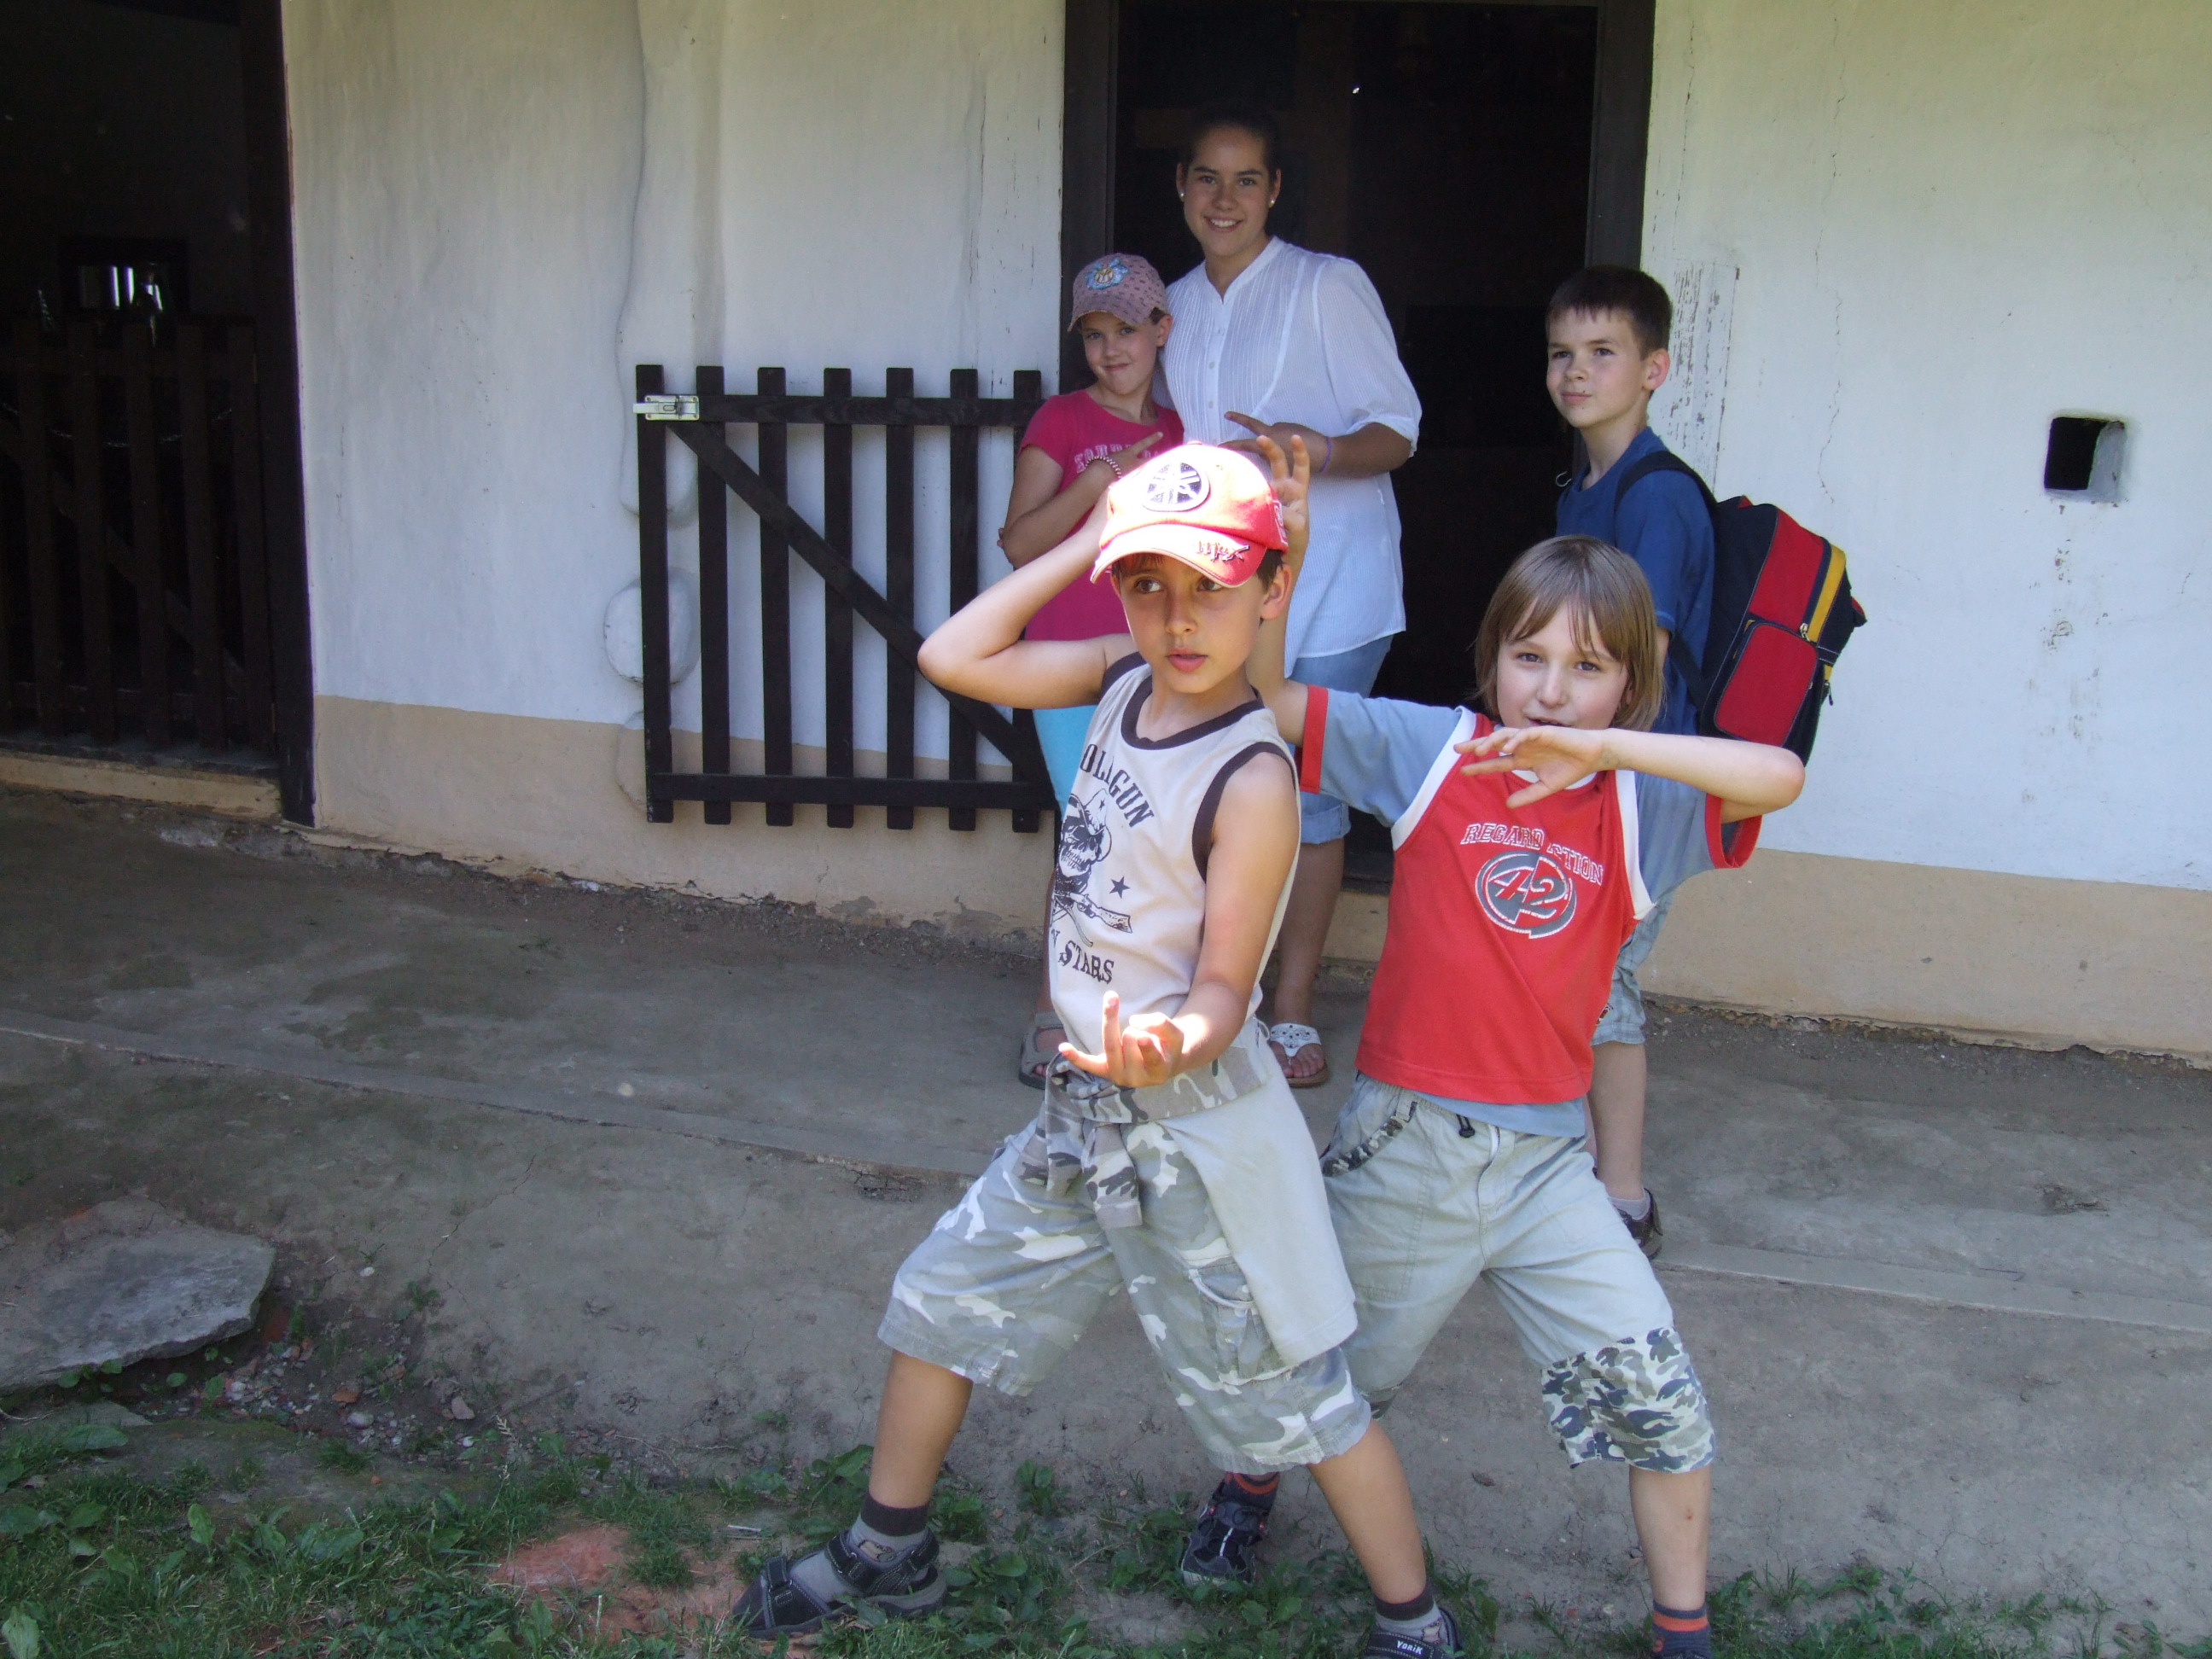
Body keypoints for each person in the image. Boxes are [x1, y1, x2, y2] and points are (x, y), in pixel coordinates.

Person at [733, 444, 1452, 1659]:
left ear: (1272, 590)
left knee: (1296, 1395)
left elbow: (1225, 984)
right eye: (1147, 585)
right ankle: (888, 1549)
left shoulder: (1252, 777)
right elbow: (953, 654)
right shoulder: (1119, 676)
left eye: (1212, 588)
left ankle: (1415, 1623)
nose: (1178, 619)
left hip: (1201, 1133)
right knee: (939, 1304)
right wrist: (1087, 539)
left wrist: (1175, 1039)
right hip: (1083, 1111)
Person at [1185, 435, 1803, 1659]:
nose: (1551, 691)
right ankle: (1247, 1490)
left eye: (1589, 668)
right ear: (1492, 661)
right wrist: (1284, 564)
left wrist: (1609, 751)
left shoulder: (1642, 806)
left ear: (1631, 685)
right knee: (1320, 1371)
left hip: (1548, 1172)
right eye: (1529, 657)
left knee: (1663, 1406)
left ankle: (1684, 1633)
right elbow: (1269, 702)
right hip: (1406, 1147)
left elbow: (1776, 774)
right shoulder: (1435, 754)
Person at [1161, 102, 1420, 1091]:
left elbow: (1398, 431)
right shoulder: (1172, 306)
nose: (1224, 199)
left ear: (1274, 191)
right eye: (1207, 177)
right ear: (1181, 187)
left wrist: (1312, 449)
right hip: (1227, 586)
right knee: (1220, 785)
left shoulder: (1326, 285)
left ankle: (1294, 1009)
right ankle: (1214, 991)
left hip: (1338, 582)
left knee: (1311, 800)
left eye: (1246, 180)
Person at [1546, 265, 1717, 1257]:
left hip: (1642, 786)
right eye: (1562, 354)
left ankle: (1622, 1199)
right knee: (1580, 978)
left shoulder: (1659, 499)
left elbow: (1636, 661)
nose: (1576, 372)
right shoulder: (1583, 488)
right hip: (1601, 775)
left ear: (1654, 369)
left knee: (1605, 985)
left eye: (1602, 353)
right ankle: (1578, 1174)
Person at [1001, 252, 1186, 1086]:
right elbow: (1019, 544)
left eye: (1128, 330)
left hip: (1157, 664)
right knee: (1089, 837)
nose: (1112, 351)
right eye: (1095, 335)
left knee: (1152, 838)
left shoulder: (1183, 431)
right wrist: (1099, 486)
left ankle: (1131, 1006)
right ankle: (1052, 1008)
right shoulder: (1063, 421)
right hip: (1066, 665)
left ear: (1162, 331)